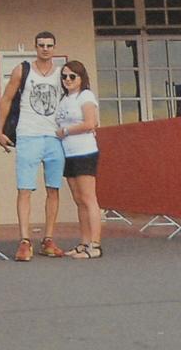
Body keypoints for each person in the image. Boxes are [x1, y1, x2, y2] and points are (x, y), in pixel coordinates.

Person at [0, 31, 66, 262]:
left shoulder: (62, 73)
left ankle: (48, 238)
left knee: (53, 189)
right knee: (24, 189)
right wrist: (0, 129)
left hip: (54, 137)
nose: (45, 49)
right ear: (35, 47)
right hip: (28, 135)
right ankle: (24, 240)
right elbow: (6, 98)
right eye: (41, 45)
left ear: (55, 48)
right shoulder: (22, 70)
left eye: (49, 45)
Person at [54, 60, 102, 259]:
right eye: (64, 76)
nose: (67, 80)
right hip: (68, 153)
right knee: (78, 199)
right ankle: (84, 242)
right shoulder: (64, 100)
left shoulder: (86, 96)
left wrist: (66, 130)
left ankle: (95, 245)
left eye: (72, 76)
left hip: (84, 151)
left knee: (89, 198)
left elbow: (91, 123)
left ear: (81, 78)